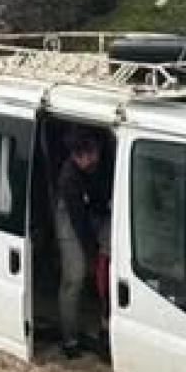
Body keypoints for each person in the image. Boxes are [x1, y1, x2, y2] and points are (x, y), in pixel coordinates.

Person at [54, 133, 109, 359]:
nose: (93, 159)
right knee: (73, 278)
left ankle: (104, 327)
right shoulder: (68, 179)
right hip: (71, 217)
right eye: (89, 156)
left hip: (96, 211)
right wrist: (91, 249)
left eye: (95, 154)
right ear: (79, 156)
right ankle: (69, 339)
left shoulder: (99, 165)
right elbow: (78, 221)